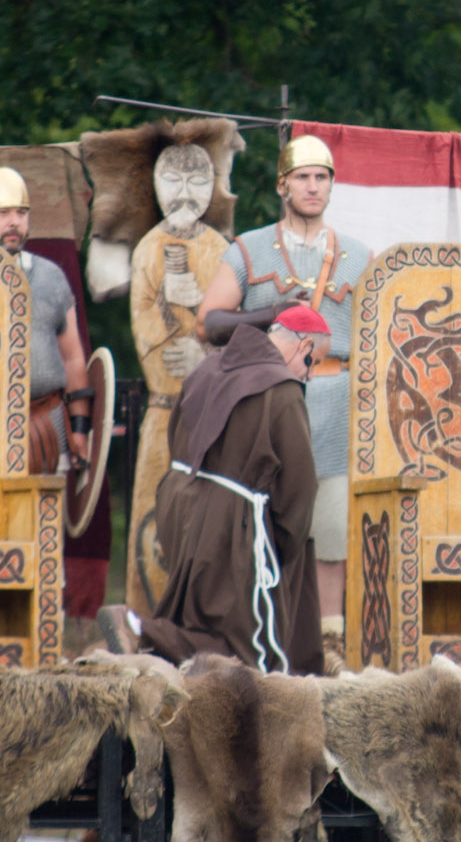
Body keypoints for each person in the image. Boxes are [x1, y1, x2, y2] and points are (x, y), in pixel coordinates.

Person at [196, 134, 371, 674]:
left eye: (321, 177)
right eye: (302, 177)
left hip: (336, 401)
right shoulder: (248, 250)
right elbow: (210, 323)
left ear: (331, 185)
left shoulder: (361, 258)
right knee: (261, 522)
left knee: (331, 529)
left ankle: (329, 643)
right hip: (265, 403)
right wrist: (267, 312)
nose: (312, 186)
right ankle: (253, 638)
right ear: (282, 186)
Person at [98, 305, 331, 672]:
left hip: (178, 502)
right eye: (312, 362)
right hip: (228, 521)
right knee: (246, 647)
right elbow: (298, 488)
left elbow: (176, 432)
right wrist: (284, 544)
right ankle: (138, 629)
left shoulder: (208, 367)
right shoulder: (282, 389)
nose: (310, 375)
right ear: (303, 345)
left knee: (201, 620)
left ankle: (140, 638)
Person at [125, 143, 228, 615]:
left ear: (213, 188)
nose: (185, 193)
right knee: (152, 513)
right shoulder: (148, 249)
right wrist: (168, 305)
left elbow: (234, 326)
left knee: (210, 518)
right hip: (162, 410)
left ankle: (205, 622)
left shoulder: (222, 250)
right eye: (173, 181)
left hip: (211, 415)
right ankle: (145, 618)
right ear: (155, 185)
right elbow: (141, 324)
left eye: (197, 182)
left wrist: (203, 353)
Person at [0, 166, 90, 474]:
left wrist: (79, 427)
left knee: (47, 505)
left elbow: (73, 358)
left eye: (21, 213)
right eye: (2, 213)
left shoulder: (50, 277)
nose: (14, 222)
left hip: (45, 424)